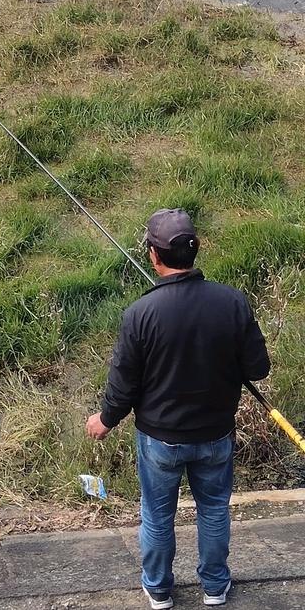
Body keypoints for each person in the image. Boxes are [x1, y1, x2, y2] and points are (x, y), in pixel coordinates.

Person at [85, 208, 270, 609]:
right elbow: (258, 368)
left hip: (159, 441)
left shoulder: (139, 314)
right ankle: (215, 588)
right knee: (214, 512)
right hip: (216, 435)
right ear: (194, 251)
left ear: (154, 255)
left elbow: (124, 384)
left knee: (156, 516)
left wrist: (105, 419)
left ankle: (159, 590)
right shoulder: (233, 302)